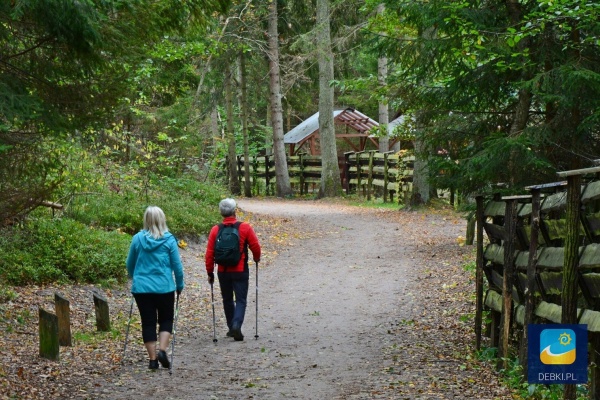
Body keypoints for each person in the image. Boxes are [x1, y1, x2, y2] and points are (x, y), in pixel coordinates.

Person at [126, 206, 184, 370]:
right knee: (166, 319)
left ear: (146, 220)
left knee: (148, 322)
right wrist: (179, 284)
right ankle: (162, 351)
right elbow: (177, 266)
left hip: (142, 289)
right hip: (164, 287)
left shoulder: (137, 239)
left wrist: (135, 276)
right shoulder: (169, 239)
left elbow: (129, 263)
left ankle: (152, 360)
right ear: (162, 219)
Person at [205, 198, 261, 341]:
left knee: (227, 299)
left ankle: (231, 327)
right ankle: (236, 325)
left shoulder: (215, 230)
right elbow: (255, 246)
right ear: (234, 211)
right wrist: (256, 258)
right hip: (240, 269)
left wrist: (210, 272)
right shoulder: (245, 227)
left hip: (223, 271)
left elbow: (210, 253)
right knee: (241, 300)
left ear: (221, 213)